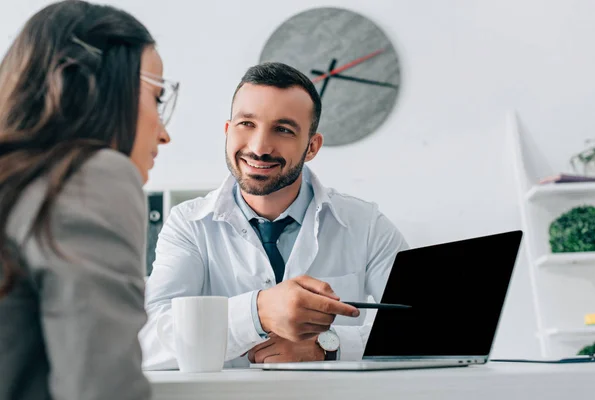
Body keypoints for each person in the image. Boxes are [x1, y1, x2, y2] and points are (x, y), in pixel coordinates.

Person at [141, 62, 408, 370]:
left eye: (283, 129)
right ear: (228, 131)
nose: (259, 147)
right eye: (247, 124)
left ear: (312, 147)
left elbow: (429, 324)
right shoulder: (188, 225)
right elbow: (147, 342)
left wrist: (328, 347)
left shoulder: (366, 224)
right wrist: (256, 312)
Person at [0, 0, 177, 398]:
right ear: (94, 87)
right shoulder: (93, 175)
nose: (164, 134)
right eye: (157, 98)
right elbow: (100, 389)